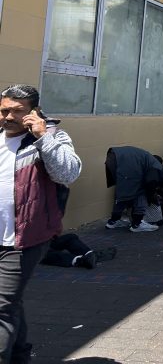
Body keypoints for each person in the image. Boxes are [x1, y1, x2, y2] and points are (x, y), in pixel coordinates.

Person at [0, 84, 82, 363]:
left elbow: (68, 173)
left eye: (17, 112)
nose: (8, 117)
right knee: (7, 302)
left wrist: (42, 137)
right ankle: (21, 355)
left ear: (33, 112)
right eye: (3, 110)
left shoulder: (52, 136)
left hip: (24, 238)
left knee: (1, 306)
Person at [104, 146, 163, 233]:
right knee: (140, 192)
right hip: (120, 159)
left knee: (122, 191)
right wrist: (152, 195)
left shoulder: (149, 161)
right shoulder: (156, 168)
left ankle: (113, 221)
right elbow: (149, 184)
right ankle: (137, 224)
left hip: (113, 156)